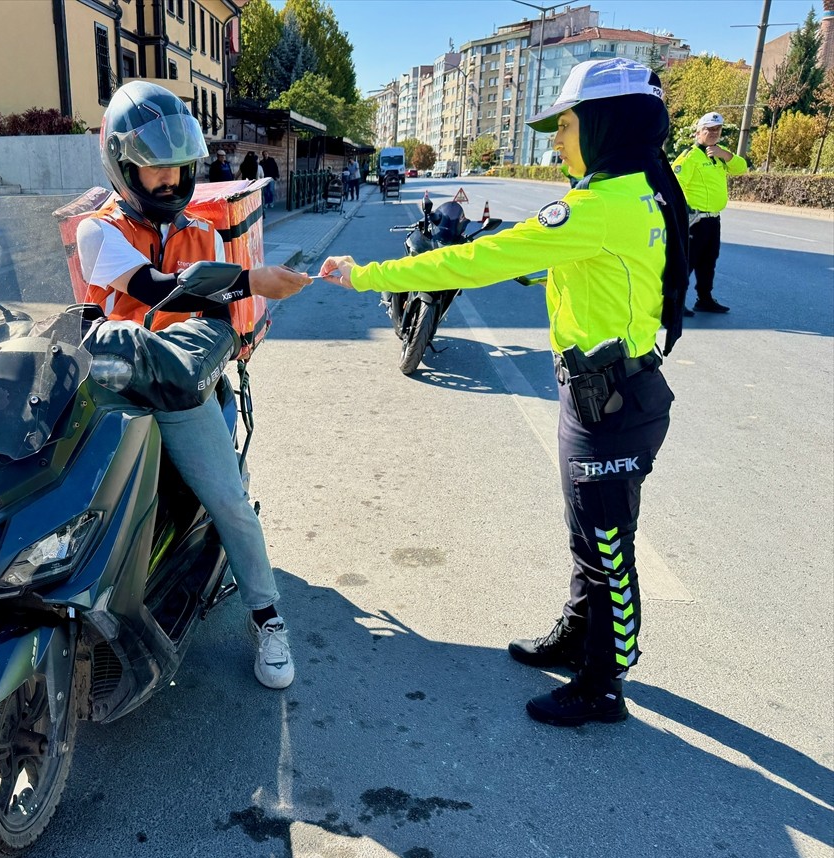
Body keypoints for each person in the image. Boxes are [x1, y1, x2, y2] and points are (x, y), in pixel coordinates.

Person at [320, 58, 688, 726]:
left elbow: (470, 261)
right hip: (601, 393)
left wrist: (367, 273)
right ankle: (579, 635)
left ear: (606, 125)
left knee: (608, 546)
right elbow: (586, 275)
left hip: (609, 403)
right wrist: (532, 267)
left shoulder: (599, 207)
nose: (557, 141)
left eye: (568, 124)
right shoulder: (640, 193)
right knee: (590, 537)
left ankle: (604, 684)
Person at [77, 81, 311, 688]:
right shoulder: (96, 230)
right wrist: (252, 278)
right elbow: (154, 287)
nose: (171, 180)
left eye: (180, 167)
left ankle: (266, 616)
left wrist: (239, 286)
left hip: (178, 385)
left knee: (229, 500)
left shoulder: (202, 234)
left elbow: (205, 310)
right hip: (112, 390)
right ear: (123, 166)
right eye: (155, 168)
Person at [672, 111, 747, 315]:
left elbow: (741, 168)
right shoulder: (690, 156)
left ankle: (704, 299)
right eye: (708, 129)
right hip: (695, 219)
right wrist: (683, 210)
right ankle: (675, 303)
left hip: (713, 218)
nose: (713, 133)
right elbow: (675, 183)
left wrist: (726, 155)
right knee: (687, 261)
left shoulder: (719, 154)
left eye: (717, 129)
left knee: (709, 260)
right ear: (698, 132)